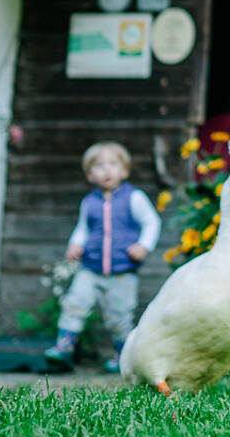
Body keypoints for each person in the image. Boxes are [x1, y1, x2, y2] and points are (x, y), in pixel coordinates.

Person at [45, 141, 161, 372]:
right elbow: (83, 229)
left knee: (119, 317)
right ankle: (64, 347)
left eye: (113, 164)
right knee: (75, 304)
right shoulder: (89, 203)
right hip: (90, 268)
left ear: (124, 171)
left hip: (122, 271)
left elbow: (151, 222)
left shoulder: (134, 198)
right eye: (99, 166)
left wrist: (143, 246)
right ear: (90, 175)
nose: (107, 170)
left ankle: (124, 357)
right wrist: (75, 245)